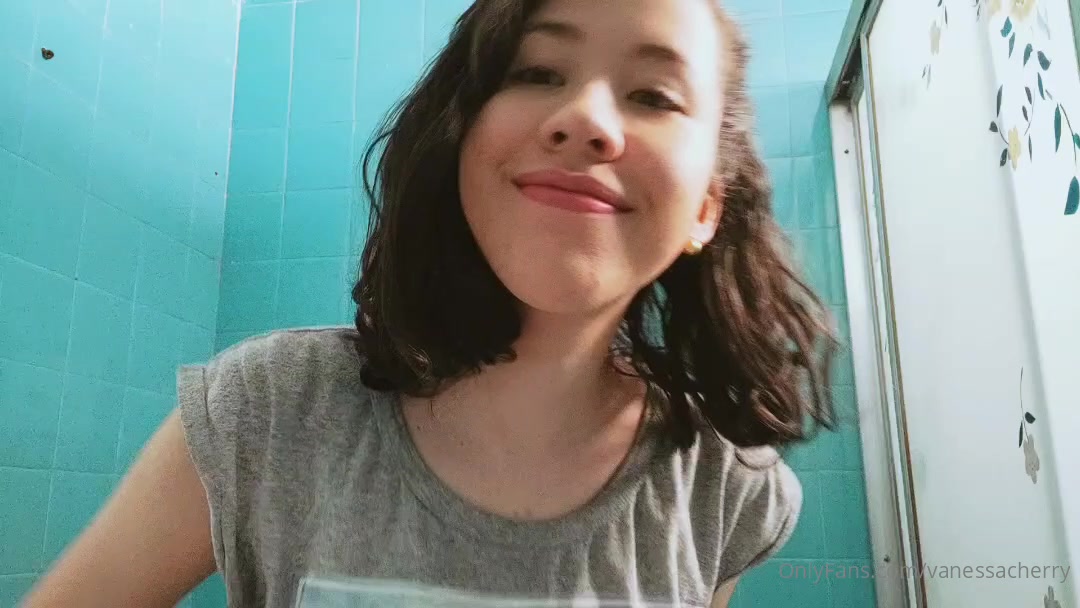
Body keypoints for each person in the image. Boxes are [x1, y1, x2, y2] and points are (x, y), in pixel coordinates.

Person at [23, 0, 837, 606]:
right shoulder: (266, 412)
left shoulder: (727, 490)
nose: (586, 119)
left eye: (654, 95)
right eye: (536, 72)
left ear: (707, 208)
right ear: (459, 136)